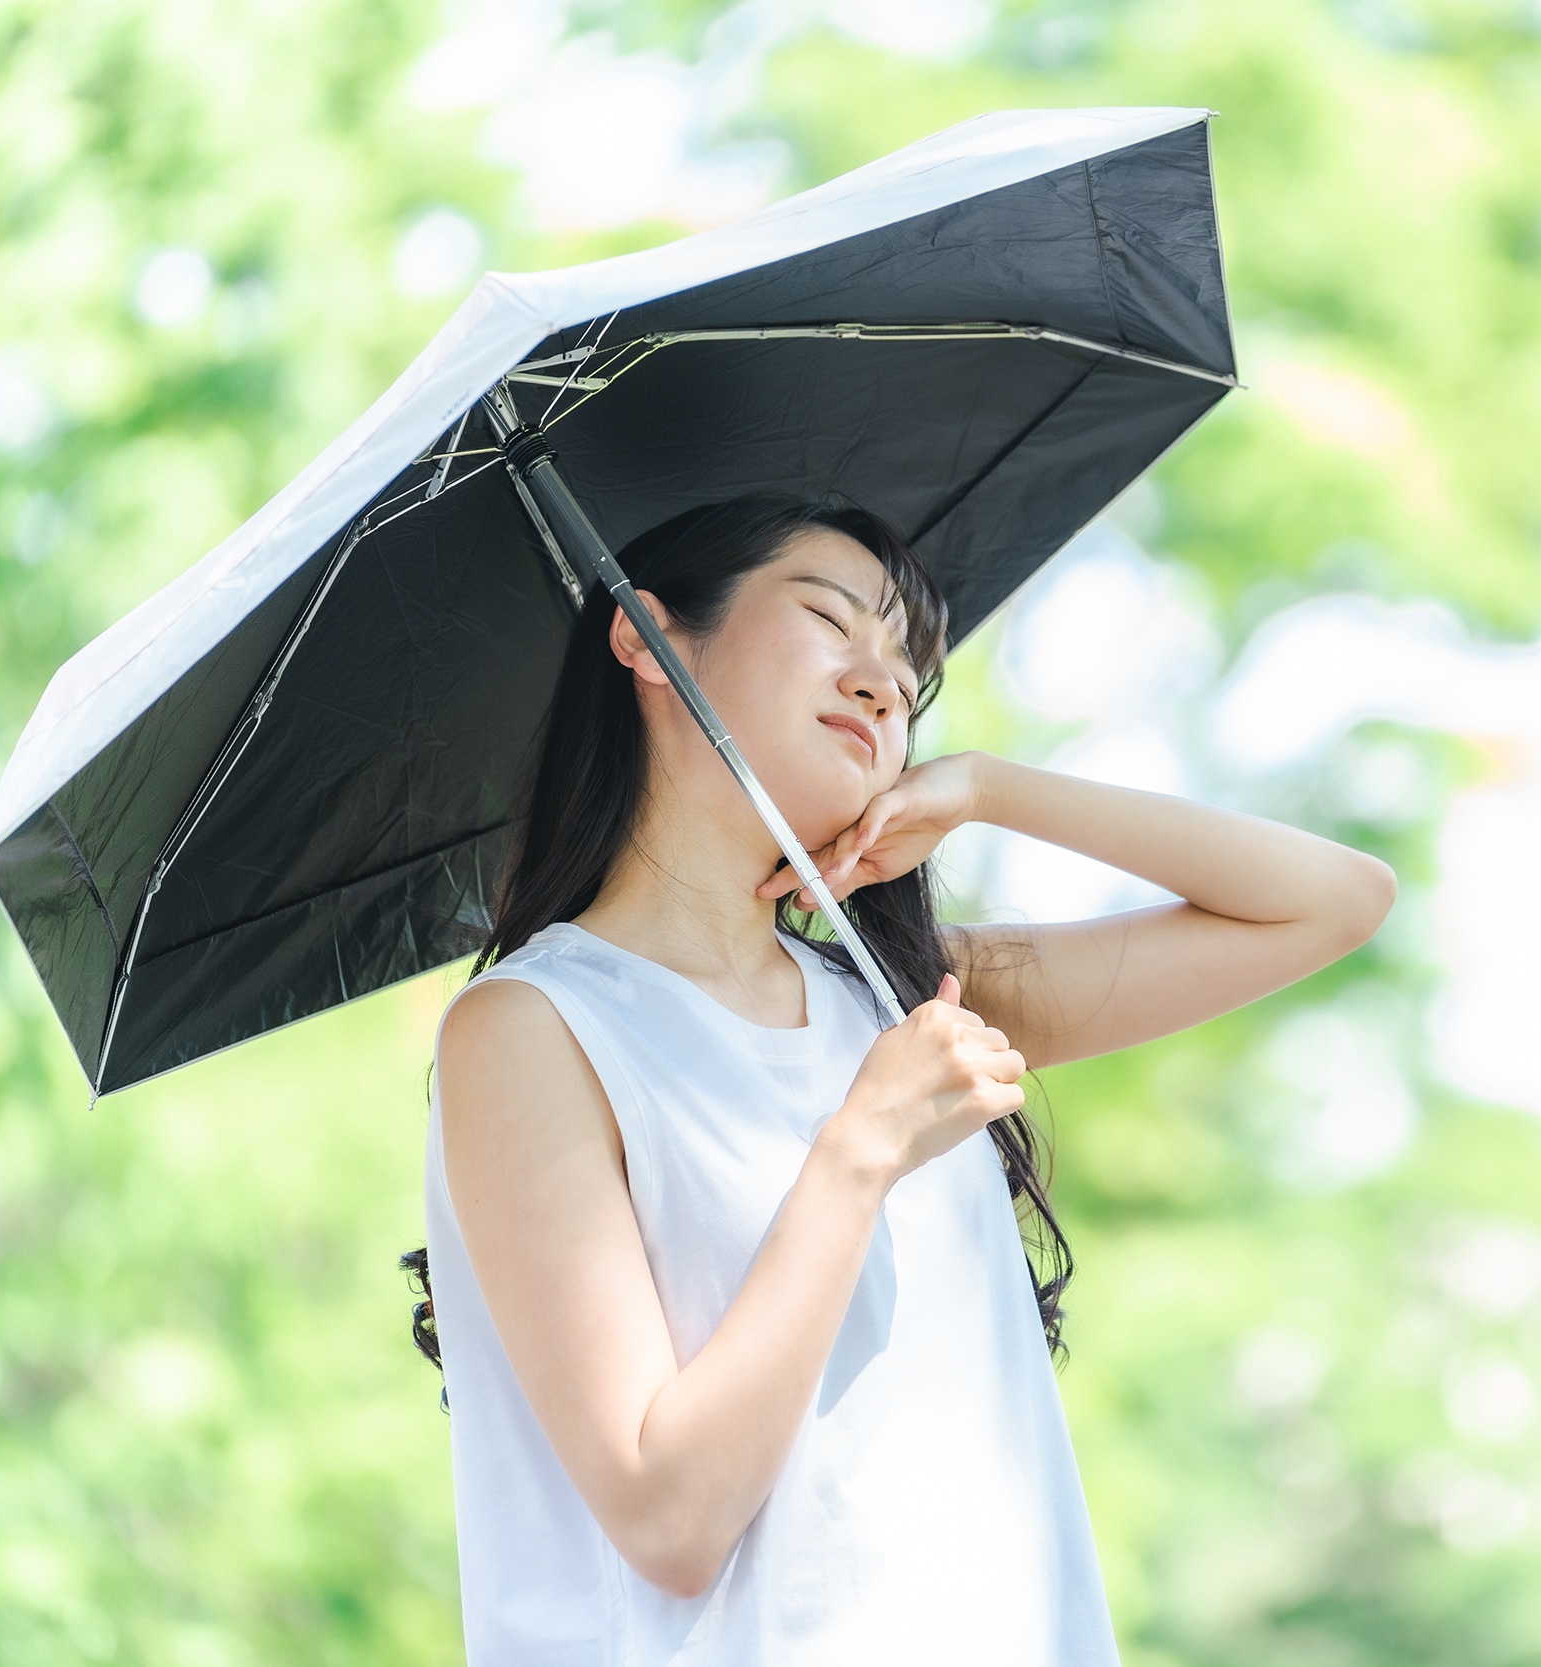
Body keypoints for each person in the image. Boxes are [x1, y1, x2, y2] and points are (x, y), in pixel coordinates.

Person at [409, 496, 1395, 1665]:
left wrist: (986, 787)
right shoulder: (534, 1027)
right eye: (831, 621)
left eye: (907, 670)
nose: (882, 683)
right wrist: (860, 1147)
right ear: (651, 640)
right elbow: (668, 1518)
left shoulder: (904, 995)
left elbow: (1334, 901)